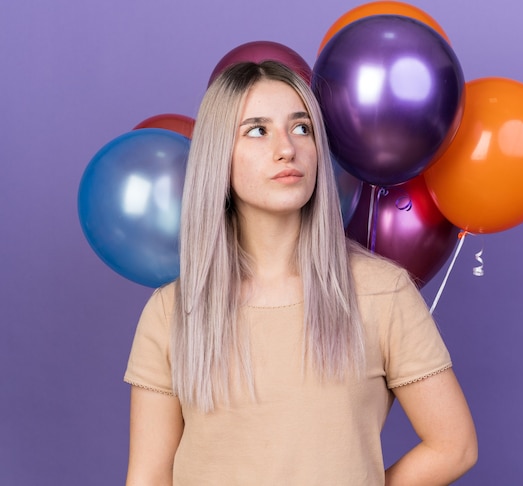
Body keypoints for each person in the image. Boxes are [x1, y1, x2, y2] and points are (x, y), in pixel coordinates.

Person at [124, 60, 477, 485]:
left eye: (302, 127)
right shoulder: (171, 312)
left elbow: (454, 446)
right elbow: (148, 476)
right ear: (219, 155)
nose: (286, 148)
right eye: (257, 130)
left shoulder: (382, 293)